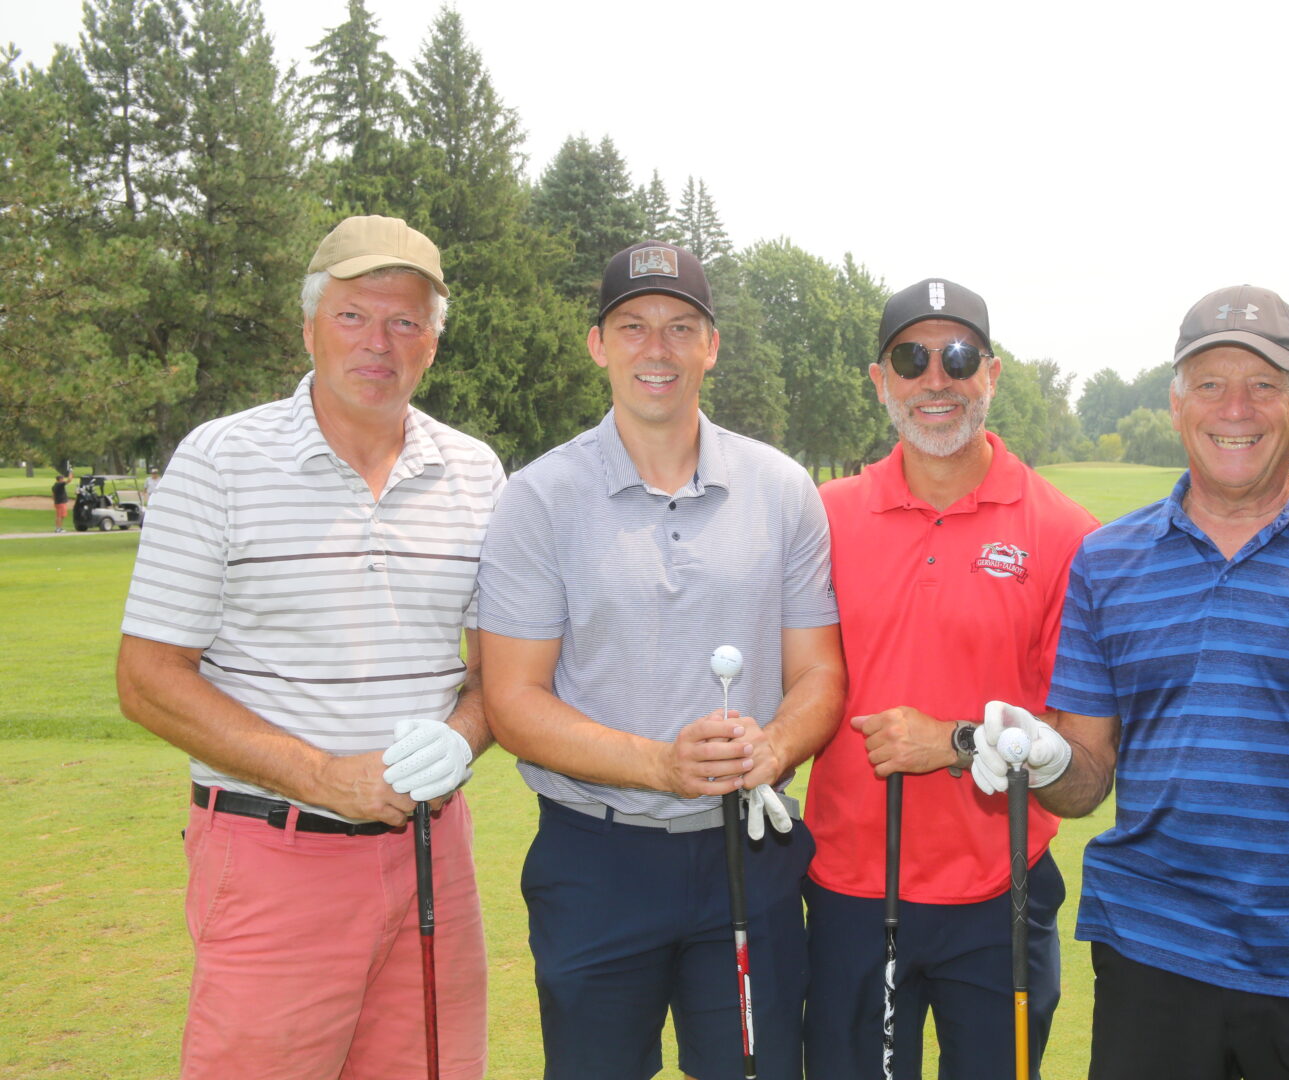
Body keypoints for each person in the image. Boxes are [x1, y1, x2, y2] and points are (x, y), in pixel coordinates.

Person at [995, 284, 1289, 1080]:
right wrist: (1041, 757)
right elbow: (1084, 781)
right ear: (1179, 403)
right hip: (1153, 960)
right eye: (1211, 384)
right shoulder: (1108, 561)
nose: (1237, 408)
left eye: (1264, 384)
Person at [116, 215, 505, 1080]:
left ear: (433, 345)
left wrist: (464, 734)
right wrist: (323, 776)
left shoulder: (476, 471)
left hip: (433, 857)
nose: (380, 343)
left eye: (406, 322)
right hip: (273, 855)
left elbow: (494, 675)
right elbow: (146, 680)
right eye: (353, 315)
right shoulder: (220, 460)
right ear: (308, 328)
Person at [477, 240, 846, 1080]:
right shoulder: (538, 499)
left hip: (749, 854)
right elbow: (514, 700)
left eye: (682, 326)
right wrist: (659, 765)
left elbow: (819, 672)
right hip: (595, 860)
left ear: (711, 346)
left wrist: (775, 748)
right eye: (633, 325)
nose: (658, 348)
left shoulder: (782, 488)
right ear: (598, 344)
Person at [802, 278, 1100, 1079]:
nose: (936, 379)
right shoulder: (821, 516)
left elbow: (1079, 750)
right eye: (912, 357)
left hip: (1000, 893)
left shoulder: (1066, 532)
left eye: (958, 357)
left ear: (992, 375)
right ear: (880, 380)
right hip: (850, 892)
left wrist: (958, 741)